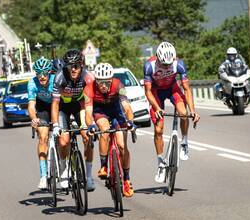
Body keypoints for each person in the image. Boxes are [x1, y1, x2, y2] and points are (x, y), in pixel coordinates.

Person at [143, 42, 200, 183]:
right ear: (157, 58)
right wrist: (157, 108)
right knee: (158, 129)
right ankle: (161, 163)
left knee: (183, 113)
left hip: (172, 88)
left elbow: (186, 89)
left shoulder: (179, 64)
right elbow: (148, 92)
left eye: (169, 65)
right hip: (156, 92)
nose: (167, 67)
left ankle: (185, 142)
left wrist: (193, 111)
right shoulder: (149, 66)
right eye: (164, 65)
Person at [84, 63, 136, 197]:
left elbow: (127, 107)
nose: (103, 85)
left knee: (122, 146)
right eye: (100, 82)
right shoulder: (89, 88)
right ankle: (104, 166)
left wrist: (130, 122)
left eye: (106, 82)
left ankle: (126, 179)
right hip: (100, 112)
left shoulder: (119, 85)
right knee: (105, 130)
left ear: (111, 80)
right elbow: (88, 113)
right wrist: (90, 125)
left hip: (116, 112)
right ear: (96, 80)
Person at [51, 49, 95, 191]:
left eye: (76, 65)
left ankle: (88, 177)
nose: (73, 69)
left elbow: (90, 102)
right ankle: (64, 170)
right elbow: (55, 104)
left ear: (82, 65)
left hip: (79, 106)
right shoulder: (59, 77)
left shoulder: (87, 77)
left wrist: (92, 123)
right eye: (70, 66)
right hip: (63, 108)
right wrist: (56, 125)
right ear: (66, 67)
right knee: (63, 141)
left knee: (88, 137)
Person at [27, 57, 55, 190]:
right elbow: (31, 105)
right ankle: (43, 175)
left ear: (50, 72)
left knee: (63, 137)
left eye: (45, 73)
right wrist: (34, 118)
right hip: (42, 108)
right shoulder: (32, 83)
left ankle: (64, 165)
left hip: (57, 106)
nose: (42, 77)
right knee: (43, 137)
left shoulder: (55, 80)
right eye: (39, 74)